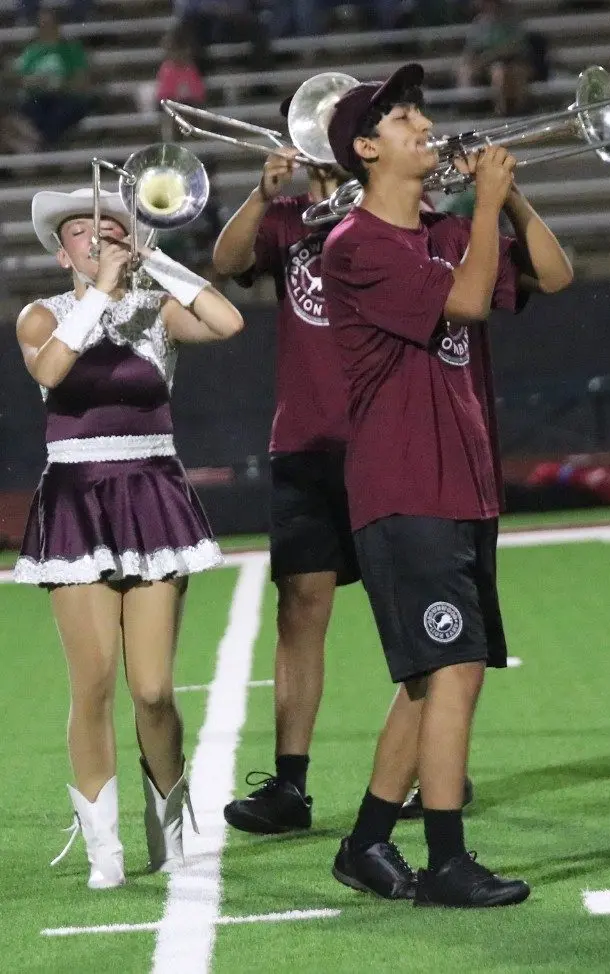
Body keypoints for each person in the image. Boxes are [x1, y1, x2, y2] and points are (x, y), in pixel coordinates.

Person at [321, 63, 573, 907]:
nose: (424, 124)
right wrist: (486, 206)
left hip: (461, 484)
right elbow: (464, 305)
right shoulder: (354, 245)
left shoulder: (444, 230)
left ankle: (364, 843)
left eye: (419, 112)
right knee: (456, 669)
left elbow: (555, 275)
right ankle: (447, 863)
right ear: (366, 148)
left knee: (431, 678)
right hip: (404, 485)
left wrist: (512, 197)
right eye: (401, 118)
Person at [13, 185, 244, 889]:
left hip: (151, 494)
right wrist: (100, 293)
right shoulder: (41, 315)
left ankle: (167, 827)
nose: (96, 238)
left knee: (153, 690)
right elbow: (51, 369)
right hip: (76, 500)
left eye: (108, 228)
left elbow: (228, 321)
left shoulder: (157, 310)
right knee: (94, 684)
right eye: (79, 232)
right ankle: (102, 847)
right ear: (62, 254)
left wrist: (155, 260)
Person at [213, 95, 361, 836]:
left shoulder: (396, 213)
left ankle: (431, 760)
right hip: (303, 442)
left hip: (384, 442)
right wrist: (262, 190)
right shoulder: (285, 220)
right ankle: (291, 789)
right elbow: (227, 262)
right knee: (300, 609)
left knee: (407, 607)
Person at [14, 9, 92, 148]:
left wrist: (60, 84)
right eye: (42, 25)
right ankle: (49, 144)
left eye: (49, 24)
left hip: (65, 96)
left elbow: (81, 79)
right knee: (31, 110)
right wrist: (39, 82)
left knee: (64, 110)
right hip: (38, 98)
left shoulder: (71, 49)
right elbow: (21, 80)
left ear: (57, 26)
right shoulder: (31, 51)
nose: (46, 29)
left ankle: (46, 144)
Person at [457, 0, 549, 116]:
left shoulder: (512, 22)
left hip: (515, 61)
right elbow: (472, 51)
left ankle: (520, 110)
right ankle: (502, 111)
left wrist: (492, 55)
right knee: (498, 72)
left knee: (514, 72)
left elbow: (516, 47)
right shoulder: (479, 24)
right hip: (490, 65)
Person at [156, 30, 206, 142]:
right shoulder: (167, 69)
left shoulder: (191, 69)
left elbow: (199, 94)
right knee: (171, 118)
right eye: (175, 51)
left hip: (189, 106)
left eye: (181, 51)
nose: (179, 55)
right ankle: (171, 143)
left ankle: (195, 140)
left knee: (194, 115)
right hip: (172, 107)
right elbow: (163, 95)